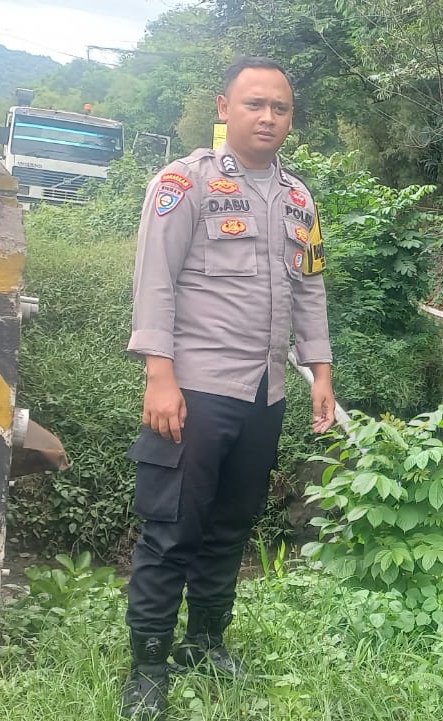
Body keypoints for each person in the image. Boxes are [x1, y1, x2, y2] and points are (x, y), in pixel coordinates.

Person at [120, 56, 336, 721]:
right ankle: (148, 667)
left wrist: (320, 370)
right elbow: (155, 279)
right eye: (254, 104)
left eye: (280, 108)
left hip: (265, 392)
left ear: (291, 118)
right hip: (195, 389)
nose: (268, 117)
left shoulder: (299, 199)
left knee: (231, 526)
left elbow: (310, 287)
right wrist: (159, 375)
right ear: (224, 108)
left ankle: (205, 643)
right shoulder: (185, 183)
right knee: (172, 528)